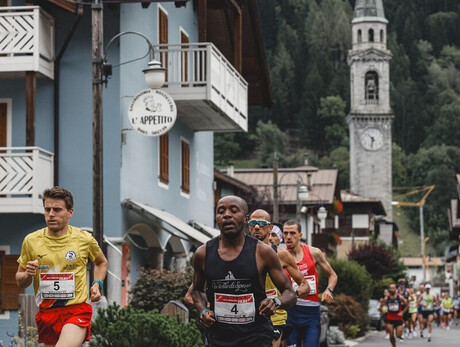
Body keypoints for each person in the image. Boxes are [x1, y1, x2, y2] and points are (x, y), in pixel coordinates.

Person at [190, 195, 297, 347]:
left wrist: (276, 301)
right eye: (221, 211)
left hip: (256, 337)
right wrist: (202, 311)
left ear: (246, 219)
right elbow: (196, 290)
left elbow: (290, 293)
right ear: (217, 218)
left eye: (234, 211)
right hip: (218, 338)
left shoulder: (263, 253)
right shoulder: (203, 253)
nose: (227, 214)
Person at [16, 187, 108, 347]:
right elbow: (20, 280)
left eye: (57, 210)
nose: (51, 214)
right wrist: (28, 274)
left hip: (76, 310)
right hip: (47, 312)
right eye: (47, 209)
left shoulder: (84, 239)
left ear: (69, 212)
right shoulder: (31, 241)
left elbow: (101, 262)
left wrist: (97, 284)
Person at [248, 209, 310, 347]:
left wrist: (287, 297)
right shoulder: (242, 253)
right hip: (248, 315)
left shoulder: (281, 255)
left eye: (261, 223)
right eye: (253, 223)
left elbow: (304, 285)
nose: (257, 227)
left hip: (275, 315)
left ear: (270, 228)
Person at [282, 219, 338, 347]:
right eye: (285, 233)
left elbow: (333, 275)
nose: (288, 237)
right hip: (290, 312)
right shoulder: (280, 256)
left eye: (292, 233)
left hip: (311, 313)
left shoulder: (314, 253)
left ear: (300, 235)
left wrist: (329, 290)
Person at [380, 283, 408, 347]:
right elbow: (380, 307)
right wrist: (383, 311)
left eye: (393, 288)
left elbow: (407, 305)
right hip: (389, 318)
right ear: (389, 289)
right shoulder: (386, 298)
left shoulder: (400, 297)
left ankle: (402, 331)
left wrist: (402, 312)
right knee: (391, 334)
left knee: (398, 335)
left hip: (398, 318)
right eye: (390, 288)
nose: (392, 289)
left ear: (396, 289)